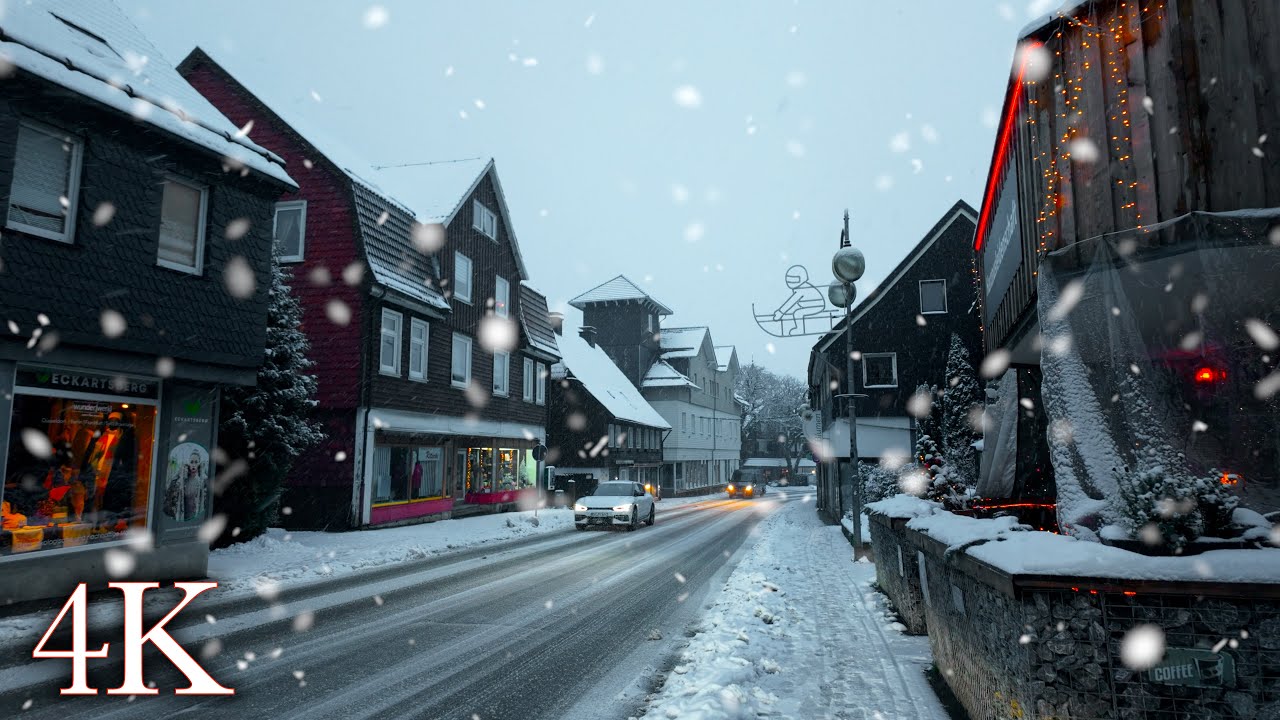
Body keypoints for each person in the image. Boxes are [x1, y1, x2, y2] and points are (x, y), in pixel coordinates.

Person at [771, 265, 827, 335]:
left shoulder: (802, 289)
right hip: (810, 305)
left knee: (798, 313)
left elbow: (791, 301)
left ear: (801, 279)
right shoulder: (799, 288)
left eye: (794, 280)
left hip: (817, 305)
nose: (791, 282)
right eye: (790, 280)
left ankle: (799, 330)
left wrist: (781, 312)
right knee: (795, 311)